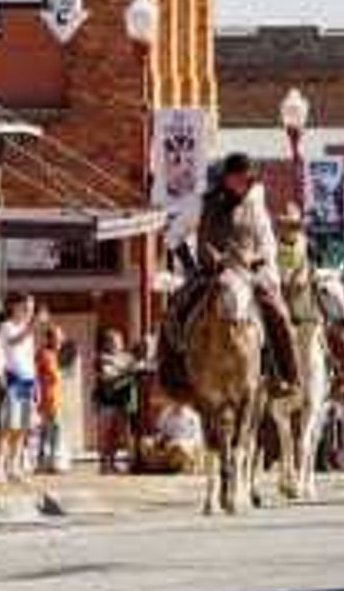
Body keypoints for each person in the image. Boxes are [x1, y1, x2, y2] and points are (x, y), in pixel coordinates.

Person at [159, 153, 300, 396]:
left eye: (248, 181)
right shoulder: (201, 203)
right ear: (227, 178)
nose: (244, 185)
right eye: (240, 180)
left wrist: (264, 269)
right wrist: (191, 267)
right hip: (209, 274)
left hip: (246, 274)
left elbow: (267, 242)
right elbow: (173, 236)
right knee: (175, 309)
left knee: (279, 313)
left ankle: (286, 375)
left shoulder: (255, 207)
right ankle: (172, 374)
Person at [0, 294, 38, 482]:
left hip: (27, 380)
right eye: (26, 308)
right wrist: (31, 327)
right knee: (8, 426)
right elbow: (13, 342)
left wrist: (36, 383)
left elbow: (29, 357)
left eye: (31, 309)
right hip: (14, 379)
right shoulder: (7, 327)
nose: (29, 312)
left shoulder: (27, 330)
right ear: (15, 307)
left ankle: (15, 466)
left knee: (22, 427)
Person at [93, 328, 143, 475]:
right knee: (105, 434)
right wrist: (127, 371)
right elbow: (107, 376)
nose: (117, 344)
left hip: (123, 401)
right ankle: (104, 464)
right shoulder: (101, 358)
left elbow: (138, 367)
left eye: (119, 341)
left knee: (120, 434)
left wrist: (127, 368)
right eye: (114, 342)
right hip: (106, 402)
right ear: (107, 343)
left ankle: (116, 463)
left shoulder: (126, 357)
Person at [35, 320, 64, 475]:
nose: (61, 340)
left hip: (54, 398)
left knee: (51, 430)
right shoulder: (44, 354)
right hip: (47, 398)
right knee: (50, 430)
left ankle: (48, 461)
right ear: (50, 339)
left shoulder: (52, 354)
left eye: (61, 338)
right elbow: (52, 376)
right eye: (58, 338)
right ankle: (47, 461)